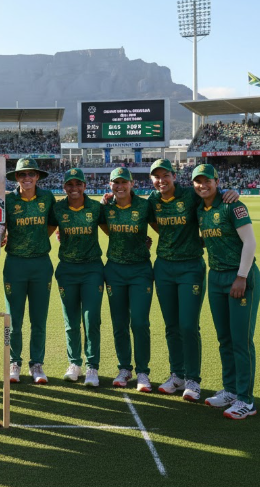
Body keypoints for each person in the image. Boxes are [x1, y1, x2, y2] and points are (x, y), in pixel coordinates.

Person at [147, 159, 238, 401]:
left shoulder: (191, 195)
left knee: (188, 325)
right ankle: (176, 375)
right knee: (172, 326)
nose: (161, 180)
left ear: (174, 176)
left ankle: (192, 381)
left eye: (165, 175)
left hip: (190, 267)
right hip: (163, 267)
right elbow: (151, 223)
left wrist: (232, 191)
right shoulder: (153, 201)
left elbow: (213, 201)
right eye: (156, 177)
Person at [192, 164, 260, 419]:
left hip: (240, 276)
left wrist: (241, 276)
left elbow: (250, 242)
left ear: (217, 181)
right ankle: (231, 390)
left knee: (241, 341)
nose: (203, 185)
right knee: (225, 339)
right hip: (216, 277)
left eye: (207, 181)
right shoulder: (200, 209)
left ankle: (246, 400)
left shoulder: (233, 205)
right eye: (198, 182)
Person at [3, 157, 57, 384]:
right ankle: (14, 362)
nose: (27, 178)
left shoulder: (47, 197)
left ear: (37, 177)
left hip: (41, 264)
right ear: (16, 177)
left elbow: (53, 223)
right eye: (22, 174)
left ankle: (37, 364)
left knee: (38, 319)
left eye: (31, 174)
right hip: (15, 264)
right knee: (14, 320)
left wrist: (37, 240)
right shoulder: (6, 199)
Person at [101, 167, 154, 392]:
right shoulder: (106, 207)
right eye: (116, 182)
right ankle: (124, 368)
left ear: (132, 184)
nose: (120, 186)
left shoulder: (144, 205)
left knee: (140, 322)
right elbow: (104, 228)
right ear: (110, 185)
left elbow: (164, 228)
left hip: (141, 270)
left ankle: (142, 371)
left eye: (124, 182)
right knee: (119, 323)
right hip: (114, 270)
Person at [51, 168, 104, 387]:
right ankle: (74, 363)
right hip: (67, 270)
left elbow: (115, 230)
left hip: (92, 269)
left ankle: (92, 366)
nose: (74, 188)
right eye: (69, 185)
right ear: (64, 187)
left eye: (78, 184)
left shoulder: (97, 207)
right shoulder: (57, 208)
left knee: (91, 319)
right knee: (71, 320)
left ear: (85, 186)